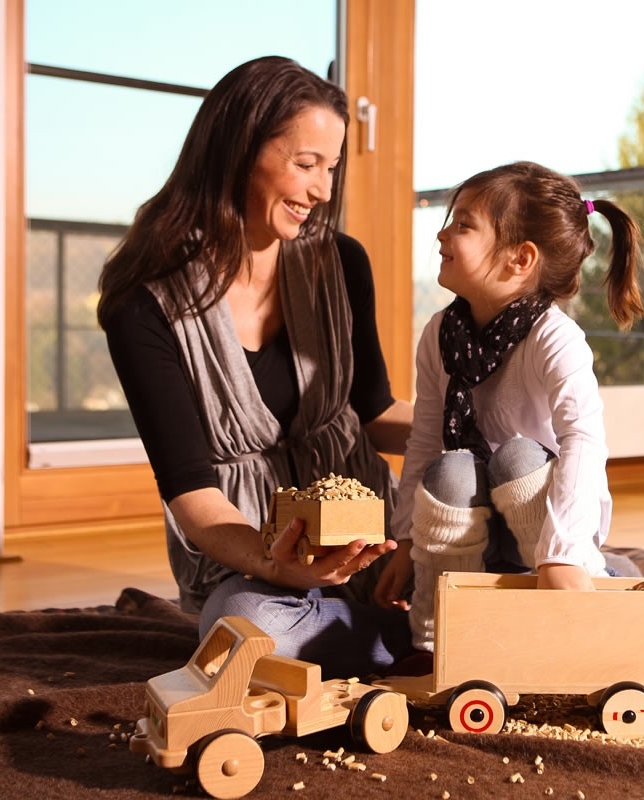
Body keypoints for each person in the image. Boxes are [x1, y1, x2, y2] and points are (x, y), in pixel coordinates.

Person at [97, 56, 415, 678]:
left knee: (543, 560)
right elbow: (192, 495)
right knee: (245, 626)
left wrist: (479, 431)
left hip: (372, 542)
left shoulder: (342, 264)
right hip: (251, 564)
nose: (322, 191)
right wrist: (278, 562)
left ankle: (375, 638)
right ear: (239, 151)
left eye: (331, 168)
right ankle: (419, 642)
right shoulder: (144, 305)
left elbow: (376, 414)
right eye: (304, 165)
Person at [374, 161, 644, 652]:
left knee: (517, 456)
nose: (441, 234)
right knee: (450, 468)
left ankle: (573, 583)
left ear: (519, 259)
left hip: (538, 536)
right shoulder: (439, 334)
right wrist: (407, 541)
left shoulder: (556, 338)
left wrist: (561, 555)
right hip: (468, 529)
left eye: (463, 225)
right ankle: (440, 636)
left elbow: (583, 441)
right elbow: (425, 438)